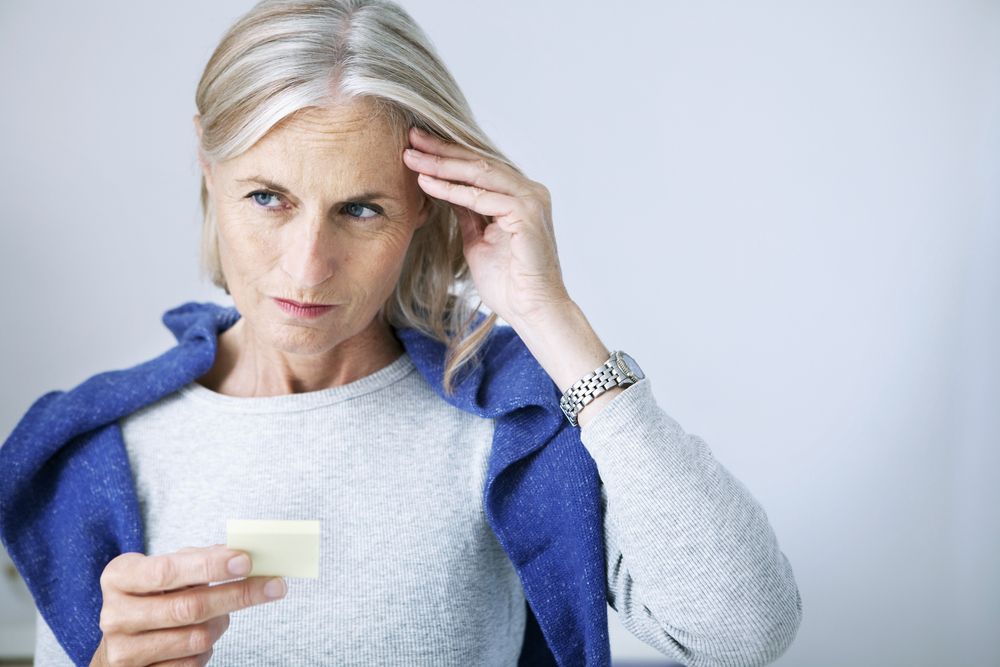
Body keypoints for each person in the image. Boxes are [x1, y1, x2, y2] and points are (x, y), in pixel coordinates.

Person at [0, 0, 803, 665]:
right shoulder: (94, 452)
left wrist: (548, 314)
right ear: (209, 173)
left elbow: (741, 629)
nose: (308, 267)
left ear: (425, 206)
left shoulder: (506, 420)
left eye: (360, 208)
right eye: (267, 197)